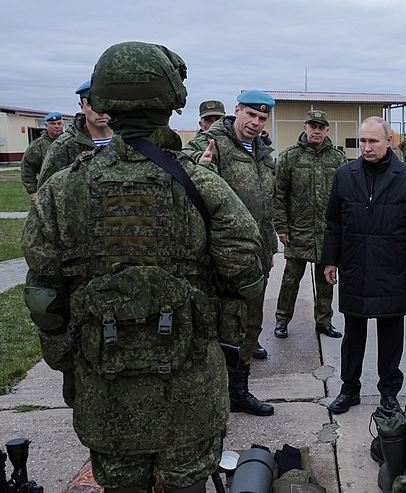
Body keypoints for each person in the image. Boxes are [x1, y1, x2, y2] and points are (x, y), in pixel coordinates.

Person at [22, 41, 265, 492]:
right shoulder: (200, 184)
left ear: (104, 102)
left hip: (105, 383)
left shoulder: (63, 189)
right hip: (189, 383)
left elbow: (43, 296)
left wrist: (67, 358)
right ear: (171, 101)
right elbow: (246, 270)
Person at [322, 117, 406, 414]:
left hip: (391, 267)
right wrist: (330, 260)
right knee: (353, 333)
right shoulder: (345, 175)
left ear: (389, 142)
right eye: (362, 141)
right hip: (355, 266)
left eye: (373, 141)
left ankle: (388, 392)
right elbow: (333, 223)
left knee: (390, 335)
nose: (366, 147)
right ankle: (349, 388)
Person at [185, 89, 278, 416]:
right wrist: (200, 166)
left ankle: (238, 390)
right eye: (251, 114)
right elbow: (182, 169)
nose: (255, 122)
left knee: (250, 325)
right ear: (236, 110)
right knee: (219, 327)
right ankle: (210, 396)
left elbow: (270, 199)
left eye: (262, 117)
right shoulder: (212, 143)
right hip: (220, 257)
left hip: (258, 254)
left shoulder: (264, 152)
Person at [272, 110, 346, 339]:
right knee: (291, 279)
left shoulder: (337, 159)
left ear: (326, 130)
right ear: (305, 127)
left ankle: (324, 321)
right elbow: (279, 194)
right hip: (298, 230)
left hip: (327, 232)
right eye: (312, 126)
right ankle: (282, 320)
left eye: (321, 127)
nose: (316, 130)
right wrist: (281, 226)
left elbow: (345, 196)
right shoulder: (289, 157)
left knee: (326, 279)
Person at [37, 80, 113, 187]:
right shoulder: (64, 146)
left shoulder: (131, 140)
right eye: (93, 104)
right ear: (81, 106)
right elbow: (46, 193)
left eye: (106, 102)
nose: (101, 111)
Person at [21, 111, 64, 197]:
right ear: (46, 126)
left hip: (69, 189)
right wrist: (32, 191)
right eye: (53, 123)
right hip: (47, 190)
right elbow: (27, 167)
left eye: (59, 123)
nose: (57, 126)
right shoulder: (38, 145)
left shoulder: (70, 142)